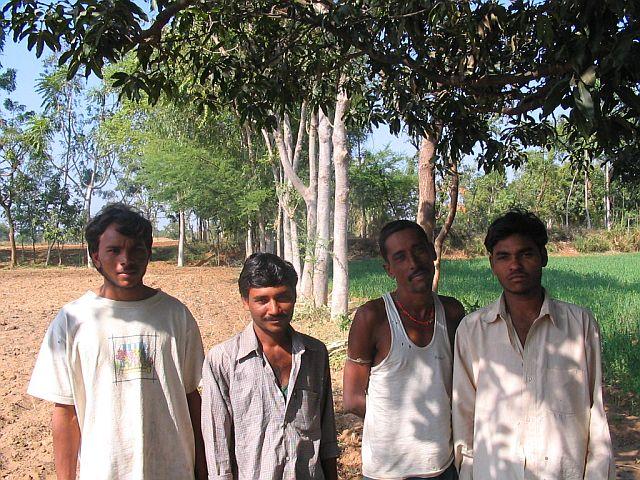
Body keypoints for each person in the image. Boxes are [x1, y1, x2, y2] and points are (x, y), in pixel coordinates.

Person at [27, 203, 207, 480]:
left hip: (173, 469)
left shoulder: (175, 315)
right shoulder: (73, 320)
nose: (126, 259)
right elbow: (66, 412)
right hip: (104, 471)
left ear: (148, 254)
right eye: (114, 250)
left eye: (136, 249)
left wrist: (202, 471)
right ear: (96, 256)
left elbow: (191, 398)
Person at [452, 209, 615, 479]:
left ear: (544, 257)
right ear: (492, 264)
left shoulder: (580, 325)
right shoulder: (472, 330)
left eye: (525, 254)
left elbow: (595, 412)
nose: (514, 265)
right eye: (503, 256)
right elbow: (464, 414)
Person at [343, 220, 465, 479]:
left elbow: (458, 386)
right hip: (388, 472)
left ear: (432, 253)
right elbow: (352, 398)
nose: (413, 262)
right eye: (400, 257)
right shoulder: (372, 317)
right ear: (389, 269)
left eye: (418, 250)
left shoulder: (452, 312)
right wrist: (396, 424)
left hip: (443, 466)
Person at [201, 252, 339, 479]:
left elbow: (327, 434)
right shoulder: (223, 360)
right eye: (262, 300)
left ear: (295, 296)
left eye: (282, 297)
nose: (274, 309)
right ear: (246, 301)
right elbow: (218, 449)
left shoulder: (315, 354)